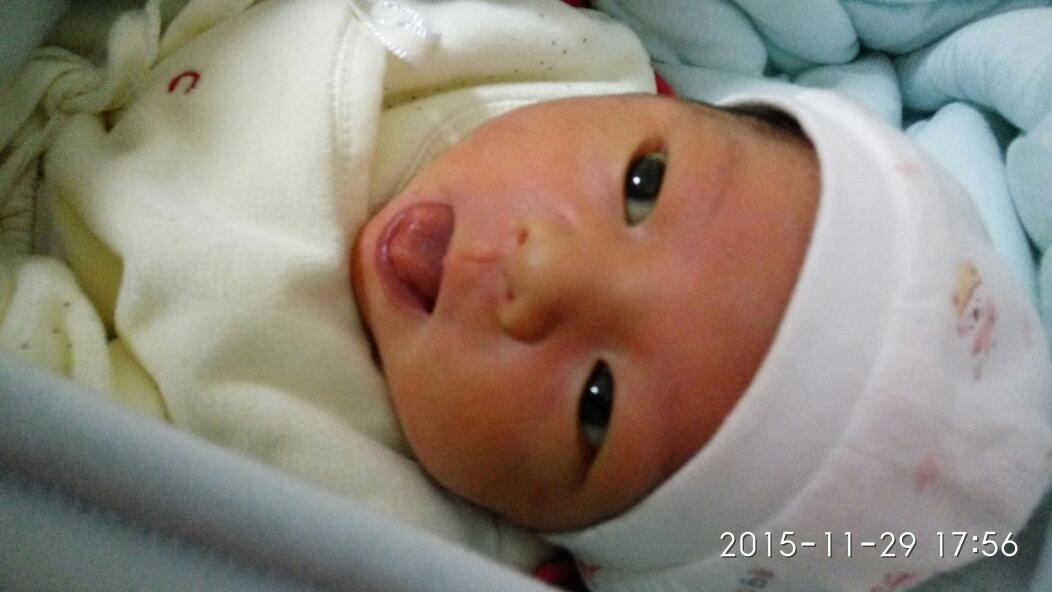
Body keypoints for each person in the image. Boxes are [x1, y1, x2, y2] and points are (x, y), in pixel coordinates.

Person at [351, 90, 1052, 592]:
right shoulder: (552, 41)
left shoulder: (377, 538)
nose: (541, 269)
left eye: (597, 404)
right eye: (642, 185)